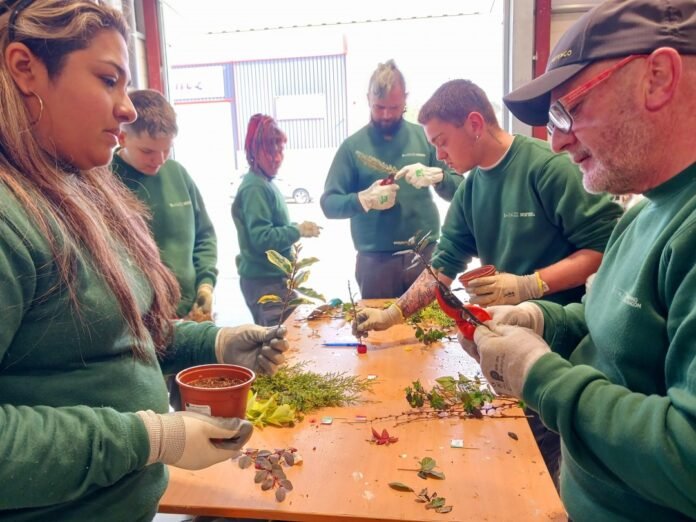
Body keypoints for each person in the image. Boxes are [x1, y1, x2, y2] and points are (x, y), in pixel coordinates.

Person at [0, 2, 289, 520]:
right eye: (108, 79)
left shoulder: (78, 187)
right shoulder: (9, 218)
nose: (128, 109)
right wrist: (150, 437)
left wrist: (214, 342)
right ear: (26, 68)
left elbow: (112, 338)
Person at [467, 1, 696, 520]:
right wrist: (540, 320)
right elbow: (612, 331)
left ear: (658, 78)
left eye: (568, 108)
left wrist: (539, 375)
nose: (555, 140)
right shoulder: (644, 211)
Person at [354, 78, 623, 483]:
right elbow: (442, 267)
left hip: (566, 349)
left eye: (442, 141)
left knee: (553, 469)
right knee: (518, 461)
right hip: (510, 345)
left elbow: (606, 245)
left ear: (475, 124)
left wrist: (530, 284)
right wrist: (392, 314)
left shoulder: (546, 168)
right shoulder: (471, 191)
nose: (439, 155)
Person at [320, 59, 462, 299]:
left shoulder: (424, 138)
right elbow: (329, 204)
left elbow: (461, 189)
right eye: (379, 107)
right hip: (375, 262)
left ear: (405, 99)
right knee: (378, 321)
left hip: (425, 254)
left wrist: (439, 177)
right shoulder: (353, 147)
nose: (386, 115)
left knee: (430, 319)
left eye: (394, 107)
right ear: (368, 99)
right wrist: (363, 200)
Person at [112, 89, 218, 322]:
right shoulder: (105, 181)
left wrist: (206, 284)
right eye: (148, 151)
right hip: (139, 321)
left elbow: (204, 235)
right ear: (122, 137)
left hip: (190, 312)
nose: (159, 160)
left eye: (166, 149)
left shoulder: (178, 173)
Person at [232, 114, 321, 326]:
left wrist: (294, 228)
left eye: (280, 150)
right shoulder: (255, 187)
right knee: (279, 340)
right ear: (254, 152)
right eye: (271, 152)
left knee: (290, 334)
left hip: (273, 280)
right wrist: (297, 230)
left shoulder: (264, 183)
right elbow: (262, 238)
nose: (278, 158)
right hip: (265, 282)